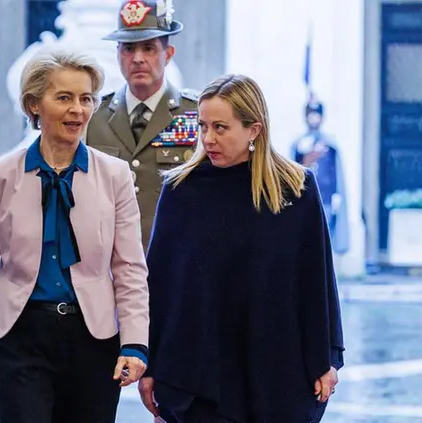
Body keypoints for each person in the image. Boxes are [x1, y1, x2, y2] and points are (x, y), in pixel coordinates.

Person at [0, 46, 150, 423]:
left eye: (86, 98)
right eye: (64, 98)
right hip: (19, 337)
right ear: (33, 105)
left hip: (95, 338)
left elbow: (130, 269)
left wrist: (135, 343)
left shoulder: (116, 175)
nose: (78, 109)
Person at [139, 74, 345, 423]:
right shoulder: (181, 190)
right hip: (197, 371)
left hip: (277, 366)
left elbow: (316, 282)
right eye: (203, 126)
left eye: (221, 127)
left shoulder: (295, 190)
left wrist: (325, 358)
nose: (208, 138)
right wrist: (150, 364)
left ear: (254, 130)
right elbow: (159, 286)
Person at [86, 0, 198, 248]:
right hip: (109, 265)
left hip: (175, 261)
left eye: (148, 48)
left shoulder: (197, 115)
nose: (137, 59)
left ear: (168, 55)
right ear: (117, 54)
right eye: (128, 49)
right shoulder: (93, 117)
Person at [291, 98, 349, 255]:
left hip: (325, 199)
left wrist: (337, 195)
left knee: (324, 239)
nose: (314, 119)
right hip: (304, 198)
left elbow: (335, 172)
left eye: (317, 115)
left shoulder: (329, 145)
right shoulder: (299, 145)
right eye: (311, 115)